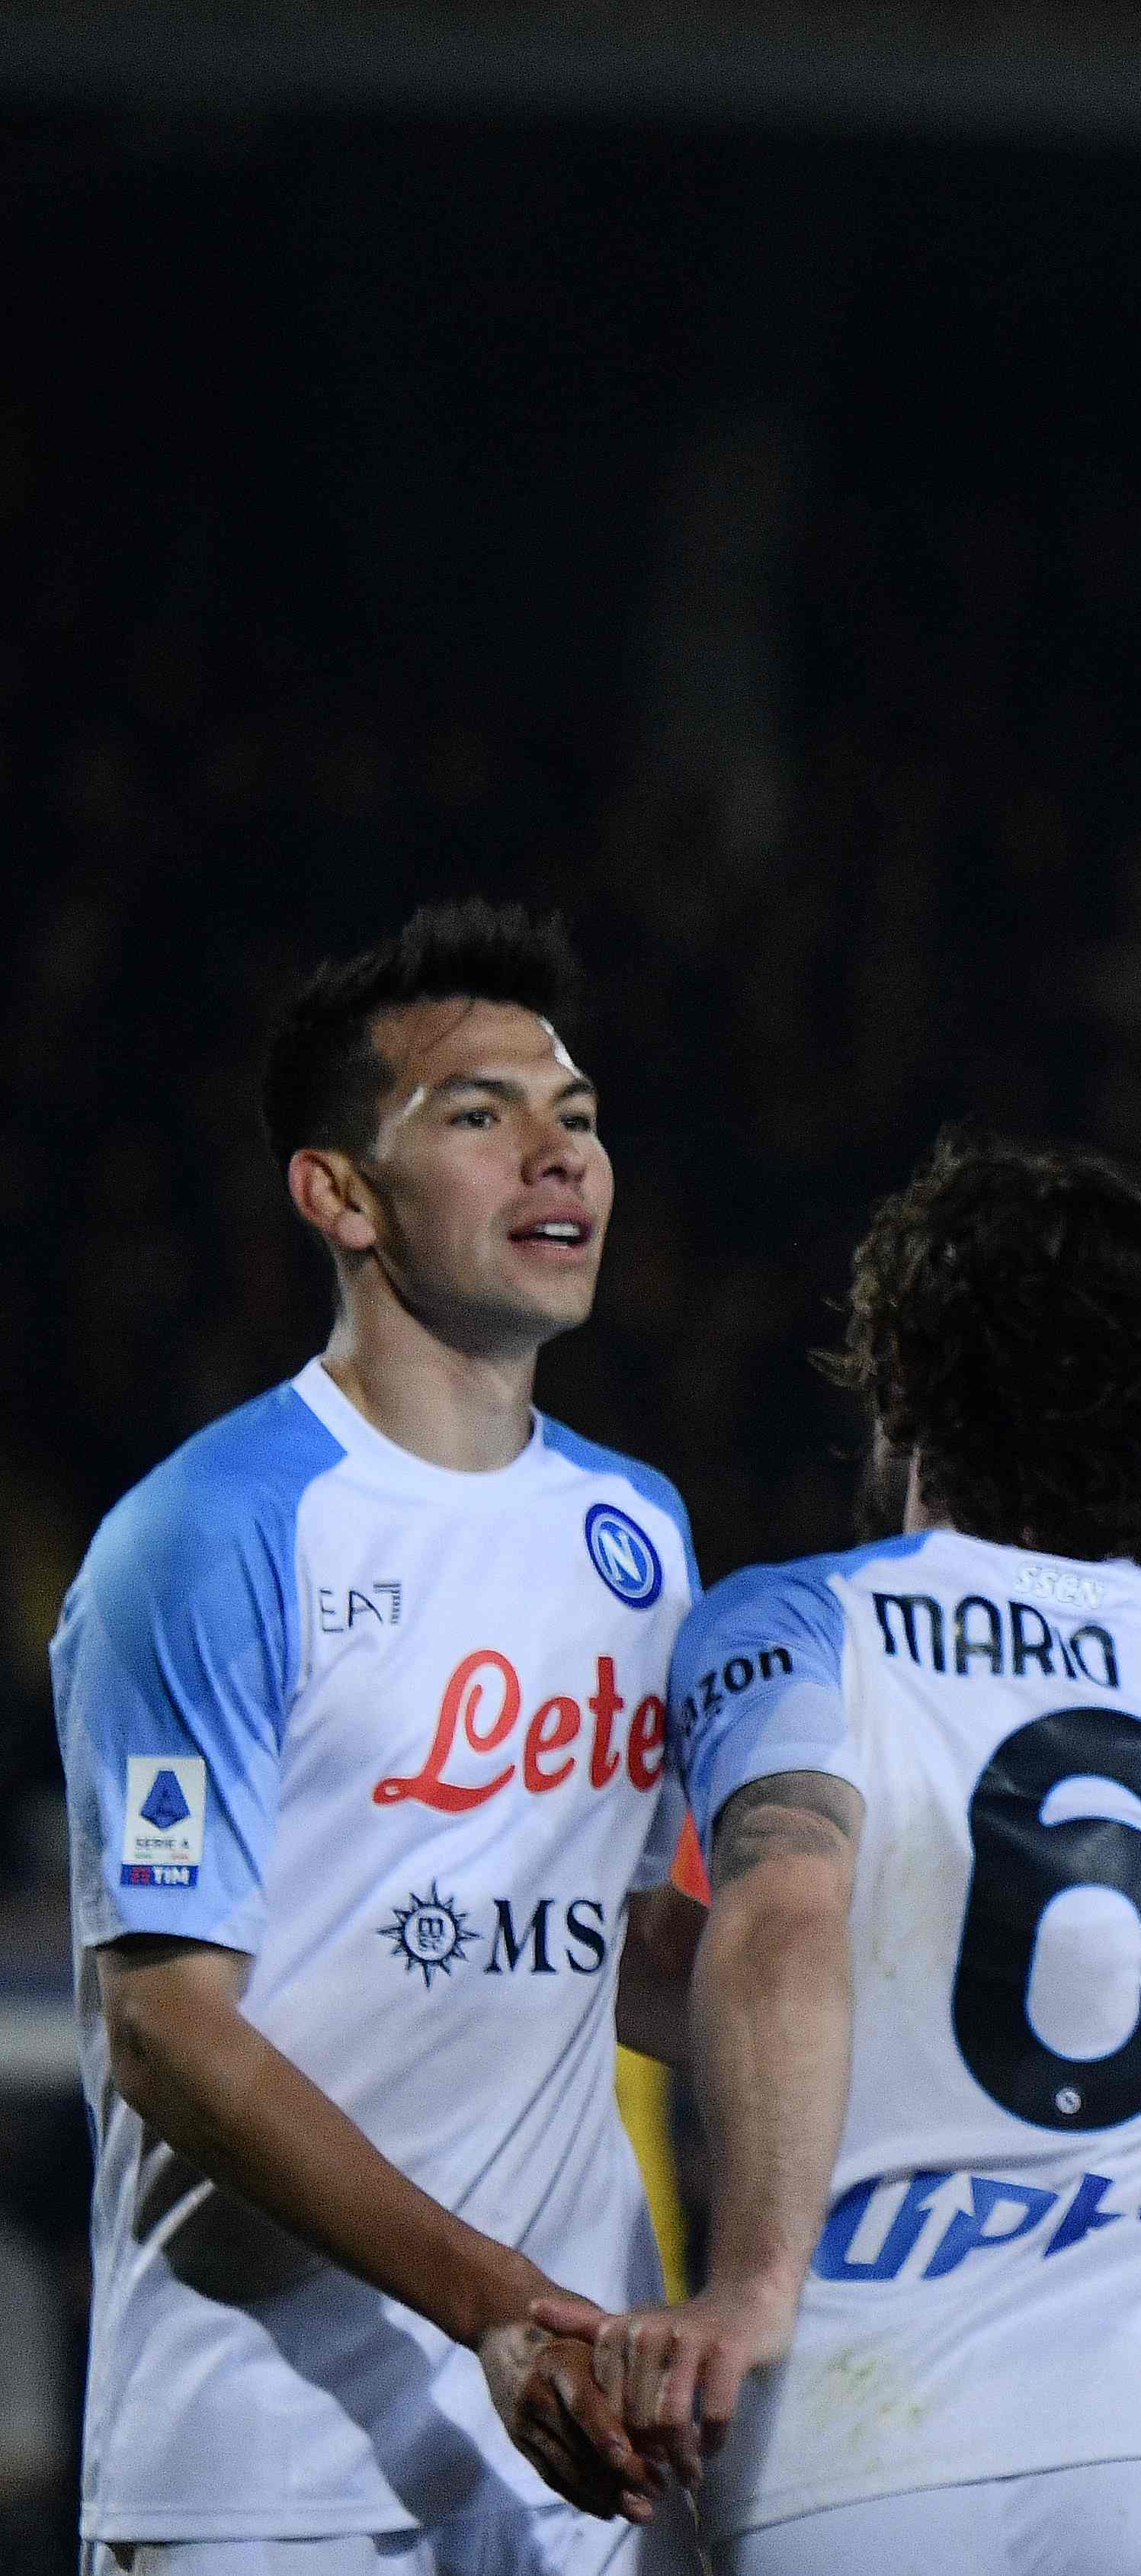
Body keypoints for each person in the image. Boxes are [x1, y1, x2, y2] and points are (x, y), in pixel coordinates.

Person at [542, 1134, 1141, 2574]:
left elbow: (784, 1915)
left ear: (898, 1388)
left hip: (869, 2450)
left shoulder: (805, 1625)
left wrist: (754, 2285)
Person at [50, 900, 694, 2571]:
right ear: (339, 1191)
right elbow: (168, 2033)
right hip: (264, 2470)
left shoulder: (638, 1531)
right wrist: (495, 2307)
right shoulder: (207, 1531)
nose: (559, 1155)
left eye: (581, 1115)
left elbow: (610, 1944)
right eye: (480, 1115)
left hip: (567, 2454)